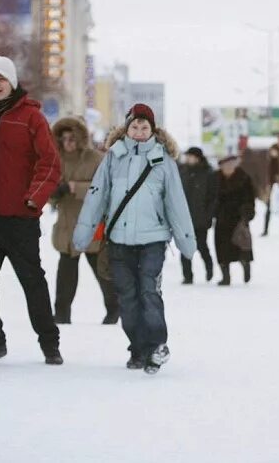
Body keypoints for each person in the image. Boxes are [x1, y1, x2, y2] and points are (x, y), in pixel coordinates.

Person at [72, 104, 197, 374]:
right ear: (126, 129)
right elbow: (97, 196)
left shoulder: (163, 161)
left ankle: (157, 346)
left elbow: (176, 202)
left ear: (153, 130)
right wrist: (83, 233)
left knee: (148, 291)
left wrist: (186, 240)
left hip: (153, 240)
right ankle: (138, 349)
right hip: (119, 241)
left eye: (145, 127)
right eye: (135, 126)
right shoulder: (112, 158)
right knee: (127, 298)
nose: (139, 132)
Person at [0, 56, 63, 366]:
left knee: (32, 281)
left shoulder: (32, 118)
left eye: (1, 79)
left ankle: (50, 345)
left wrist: (34, 198)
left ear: (12, 83)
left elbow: (50, 163)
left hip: (20, 218)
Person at [50, 116, 118, 325]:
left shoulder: (95, 158)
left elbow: (106, 188)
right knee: (65, 276)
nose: (68, 143)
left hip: (92, 222)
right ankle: (61, 314)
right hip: (67, 223)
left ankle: (114, 309)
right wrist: (54, 192)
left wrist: (75, 188)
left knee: (101, 270)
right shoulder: (54, 159)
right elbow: (47, 188)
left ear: (80, 138)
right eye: (63, 138)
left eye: (72, 138)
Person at [214, 155, 256, 285]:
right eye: (225, 165)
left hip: (238, 218)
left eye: (231, 164)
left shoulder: (243, 178)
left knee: (241, 245)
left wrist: (247, 215)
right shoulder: (215, 178)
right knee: (221, 249)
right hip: (222, 218)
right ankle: (225, 276)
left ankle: (246, 265)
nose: (228, 167)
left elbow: (250, 198)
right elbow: (210, 197)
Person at [179, 146, 218, 284]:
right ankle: (187, 276)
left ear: (198, 158)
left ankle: (209, 268)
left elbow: (213, 197)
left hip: (201, 218)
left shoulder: (208, 173)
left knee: (202, 246)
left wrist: (209, 216)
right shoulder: (182, 172)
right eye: (187, 156)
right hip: (184, 219)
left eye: (190, 156)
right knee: (184, 248)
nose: (188, 159)